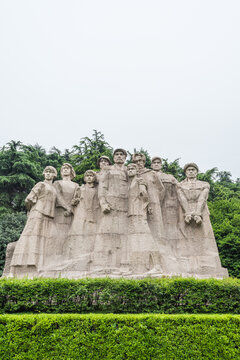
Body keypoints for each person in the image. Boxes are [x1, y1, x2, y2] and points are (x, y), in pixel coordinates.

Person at [177, 163, 228, 277]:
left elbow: (203, 198)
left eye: (193, 170)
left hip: (201, 211)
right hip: (186, 211)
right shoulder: (180, 185)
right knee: (184, 235)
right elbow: (181, 198)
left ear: (197, 172)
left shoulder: (204, 184)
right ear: (185, 172)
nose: (191, 172)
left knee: (205, 235)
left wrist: (198, 213)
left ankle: (207, 261)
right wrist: (187, 213)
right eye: (189, 170)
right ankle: (188, 262)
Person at [9, 166, 61, 277]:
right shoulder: (40, 184)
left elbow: (58, 203)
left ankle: (38, 266)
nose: (48, 174)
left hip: (48, 215)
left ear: (54, 175)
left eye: (50, 172)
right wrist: (32, 209)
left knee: (42, 241)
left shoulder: (53, 188)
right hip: (38, 213)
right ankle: (16, 267)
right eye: (46, 172)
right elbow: (29, 198)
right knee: (29, 237)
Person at [92, 148, 128, 274]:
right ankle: (100, 264)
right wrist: (103, 203)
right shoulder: (108, 169)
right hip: (111, 204)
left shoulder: (129, 169)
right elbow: (102, 186)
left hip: (126, 205)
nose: (119, 156)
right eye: (117, 154)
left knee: (124, 236)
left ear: (125, 157)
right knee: (106, 233)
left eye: (121, 155)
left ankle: (123, 264)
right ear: (114, 157)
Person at [127, 163, 162, 274]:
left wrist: (145, 205)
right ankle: (135, 268)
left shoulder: (139, 180)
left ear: (137, 171)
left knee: (147, 238)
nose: (130, 170)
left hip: (138, 211)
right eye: (128, 169)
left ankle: (157, 266)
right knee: (135, 240)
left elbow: (144, 193)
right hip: (133, 212)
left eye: (132, 168)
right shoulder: (131, 182)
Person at [65, 170, 99, 273]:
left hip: (92, 213)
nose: (89, 177)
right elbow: (74, 201)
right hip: (80, 212)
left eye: (91, 176)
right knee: (77, 232)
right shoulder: (80, 188)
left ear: (94, 178)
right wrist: (74, 203)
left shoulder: (97, 189)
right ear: (84, 178)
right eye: (87, 176)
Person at [53, 163, 79, 262]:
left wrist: (71, 207)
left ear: (71, 171)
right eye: (63, 168)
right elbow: (58, 197)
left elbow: (76, 197)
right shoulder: (57, 183)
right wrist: (67, 208)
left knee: (70, 234)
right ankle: (57, 257)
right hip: (60, 212)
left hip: (72, 213)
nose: (65, 170)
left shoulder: (76, 185)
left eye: (67, 168)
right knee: (59, 234)